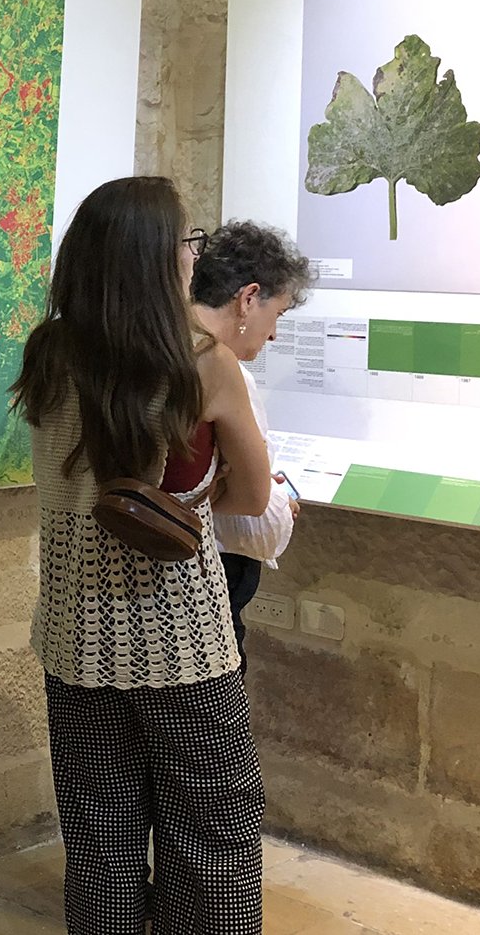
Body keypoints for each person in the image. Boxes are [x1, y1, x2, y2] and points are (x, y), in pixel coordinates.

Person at [12, 176, 272, 935]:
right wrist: (196, 494)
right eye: (188, 242)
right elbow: (252, 497)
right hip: (182, 642)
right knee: (216, 832)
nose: (194, 256)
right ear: (155, 256)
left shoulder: (48, 353)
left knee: (101, 839)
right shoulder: (203, 363)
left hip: (74, 637)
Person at [190, 220, 314, 667]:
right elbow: (254, 503)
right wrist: (273, 496)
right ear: (248, 299)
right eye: (277, 313)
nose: (274, 333)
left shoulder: (167, 349)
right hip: (208, 569)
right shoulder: (221, 368)